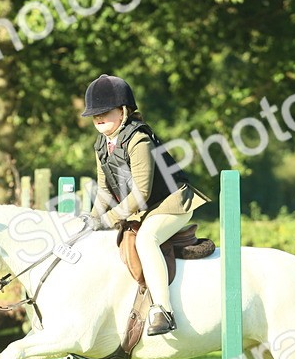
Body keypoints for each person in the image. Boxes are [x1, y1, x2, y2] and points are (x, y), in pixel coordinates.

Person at [80, 74, 210, 336]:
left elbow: (141, 192)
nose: (98, 118)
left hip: (172, 201)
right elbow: (105, 190)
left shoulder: (139, 139)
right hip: (146, 206)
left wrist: (108, 219)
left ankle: (163, 309)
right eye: (95, 114)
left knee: (147, 238)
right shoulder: (101, 145)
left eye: (104, 112)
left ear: (123, 110)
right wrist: (90, 219)